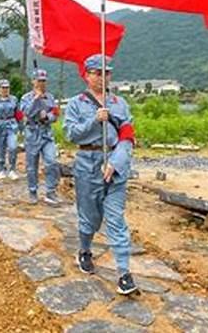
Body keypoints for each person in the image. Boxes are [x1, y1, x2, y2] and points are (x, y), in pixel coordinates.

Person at [62, 54, 138, 295]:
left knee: (116, 219)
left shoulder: (119, 103)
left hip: (115, 167)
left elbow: (127, 137)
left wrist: (115, 162)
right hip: (88, 164)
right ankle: (84, 249)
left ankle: (124, 273)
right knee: (90, 219)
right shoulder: (77, 103)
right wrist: (94, 121)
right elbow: (71, 134)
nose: (102, 77)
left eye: (106, 72)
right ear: (86, 75)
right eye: (97, 72)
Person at [19, 68, 61, 206]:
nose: (42, 84)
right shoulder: (26, 98)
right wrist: (36, 99)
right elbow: (27, 113)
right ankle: (32, 191)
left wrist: (47, 117)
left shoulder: (50, 97)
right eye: (39, 81)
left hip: (46, 132)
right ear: (33, 81)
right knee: (32, 166)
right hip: (32, 132)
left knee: (51, 162)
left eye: (44, 81)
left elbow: (55, 114)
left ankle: (50, 191)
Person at [0, 79, 21, 180]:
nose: (5, 90)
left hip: (11, 125)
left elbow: (18, 114)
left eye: (7, 88)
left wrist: (21, 127)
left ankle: (12, 169)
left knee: (13, 147)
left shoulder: (14, 99)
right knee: (0, 149)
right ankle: (0, 168)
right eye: (3, 88)